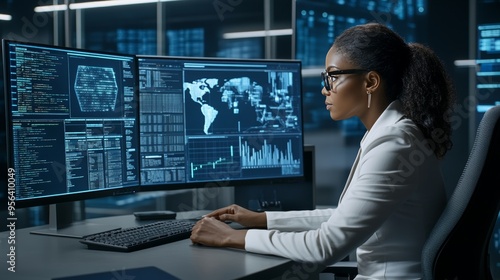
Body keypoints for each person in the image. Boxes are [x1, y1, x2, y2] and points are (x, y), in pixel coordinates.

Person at [190, 22, 455, 279]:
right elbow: (346, 217)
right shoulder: (394, 134)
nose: (324, 88)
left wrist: (230, 236)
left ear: (370, 82)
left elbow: (325, 246)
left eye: (332, 76)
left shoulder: (394, 144)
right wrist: (262, 219)